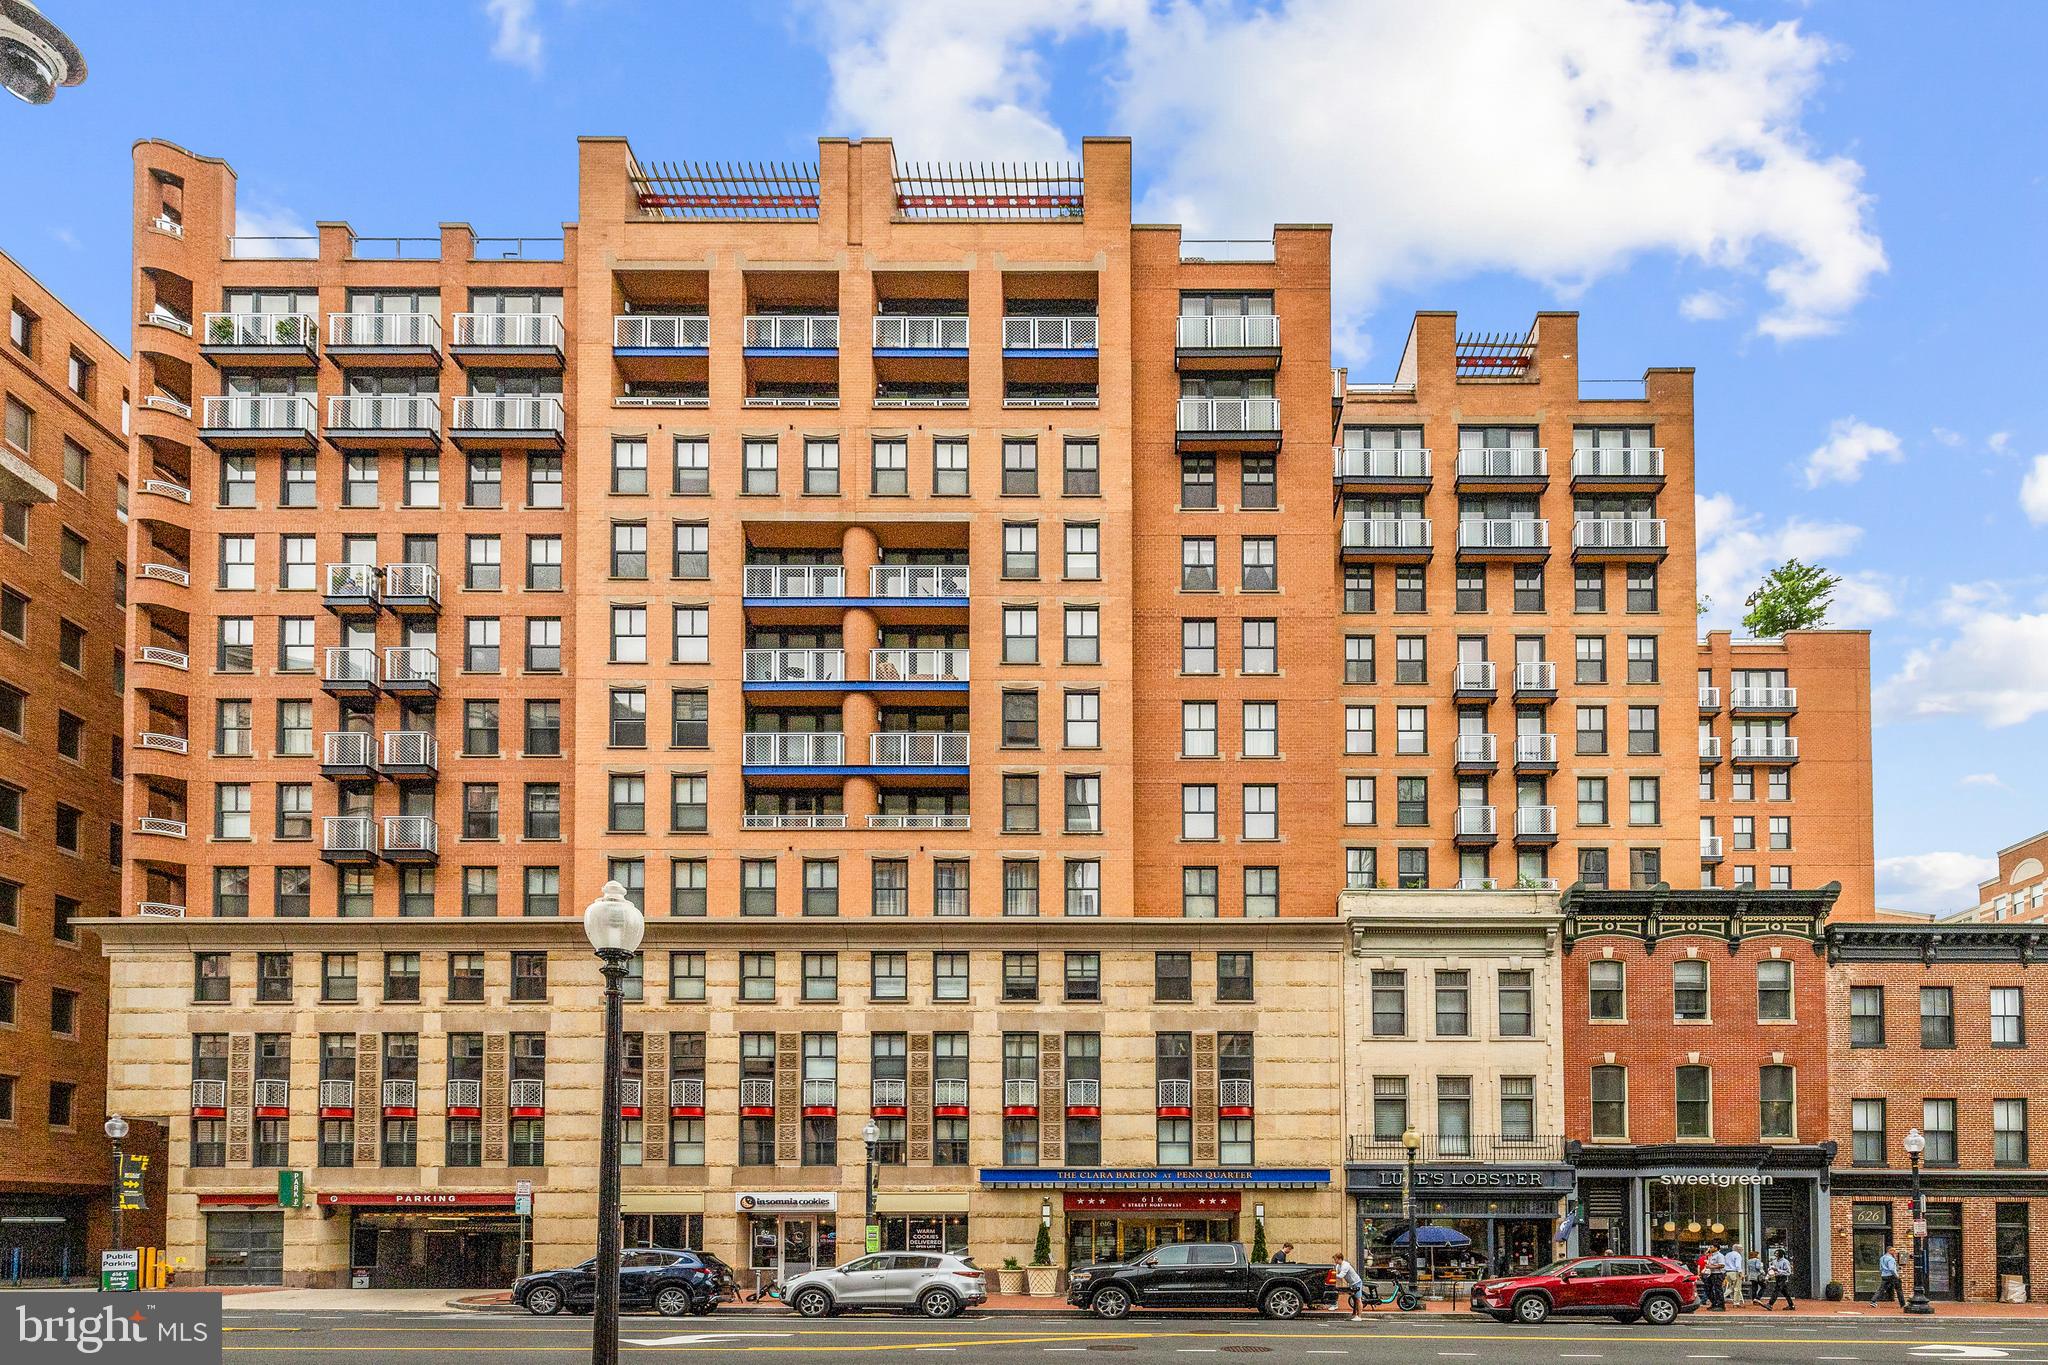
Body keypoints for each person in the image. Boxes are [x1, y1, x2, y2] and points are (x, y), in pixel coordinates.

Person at [1331, 1252, 1367, 1321]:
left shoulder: (1345, 1265)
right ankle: (1354, 1314)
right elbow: (1336, 1274)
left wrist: (1332, 1274)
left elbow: (1340, 1276)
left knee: (1358, 1299)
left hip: (1357, 1282)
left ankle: (1359, 1316)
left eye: (1335, 1259)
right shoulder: (1338, 1265)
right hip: (1351, 1283)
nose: (1334, 1261)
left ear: (1340, 1259)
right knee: (1354, 1299)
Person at [1698, 1244, 1726, 1310]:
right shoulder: (1711, 1256)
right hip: (1712, 1274)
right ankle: (1714, 1303)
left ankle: (1720, 1305)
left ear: (1716, 1248)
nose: (1709, 1248)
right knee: (1707, 1288)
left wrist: (1711, 1267)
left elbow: (1722, 1265)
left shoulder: (1719, 1255)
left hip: (1718, 1274)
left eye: (1711, 1247)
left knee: (1718, 1289)